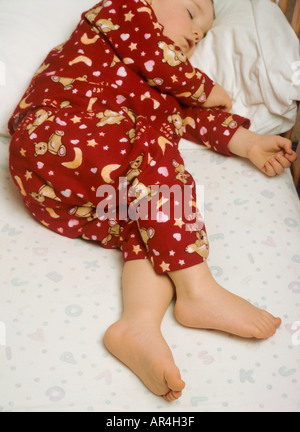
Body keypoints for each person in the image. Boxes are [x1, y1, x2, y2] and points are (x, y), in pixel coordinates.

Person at [8, 0, 297, 402]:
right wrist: (205, 87)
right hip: (58, 130)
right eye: (192, 13)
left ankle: (137, 326)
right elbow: (159, 59)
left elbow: (193, 117)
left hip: (67, 195)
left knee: (147, 221)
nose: (196, 34)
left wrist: (250, 143)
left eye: (204, 35)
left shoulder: (164, 89)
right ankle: (197, 286)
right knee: (156, 153)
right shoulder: (120, 16)